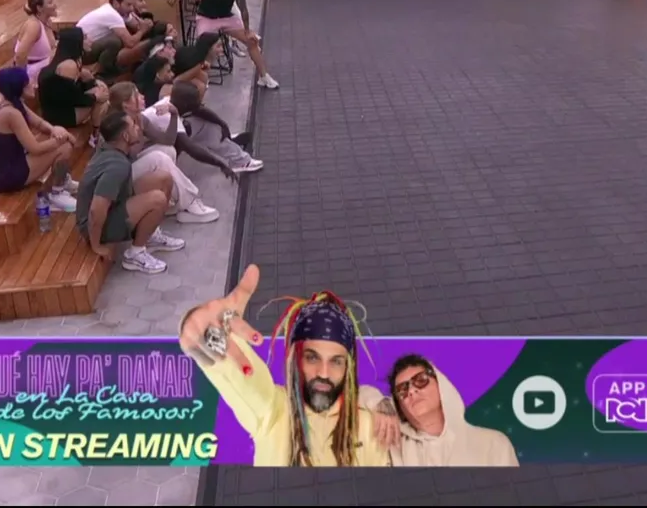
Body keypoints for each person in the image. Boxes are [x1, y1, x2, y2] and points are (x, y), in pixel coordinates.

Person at [178, 266, 400, 466]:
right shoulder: (273, 411)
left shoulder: (372, 425)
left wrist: (378, 401)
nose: (323, 373)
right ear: (295, 359)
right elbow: (245, 379)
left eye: (336, 361)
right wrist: (205, 330)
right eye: (312, 358)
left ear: (348, 368)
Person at [76, 111, 186, 274]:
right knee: (158, 199)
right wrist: (96, 245)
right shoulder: (116, 166)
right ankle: (135, 254)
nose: (138, 127)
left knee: (164, 178)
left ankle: (150, 236)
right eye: (133, 126)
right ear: (125, 137)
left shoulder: (111, 148)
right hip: (94, 226)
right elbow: (96, 209)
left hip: (113, 206)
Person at [369, 354, 519, 467]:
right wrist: (381, 403)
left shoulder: (492, 443)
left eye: (420, 380)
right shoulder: (394, 445)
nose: (412, 391)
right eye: (402, 389)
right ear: (399, 405)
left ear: (441, 385)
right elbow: (359, 393)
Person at [107, 82, 222, 224]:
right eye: (136, 95)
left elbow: (168, 140)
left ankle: (170, 200)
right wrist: (137, 136)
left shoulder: (140, 118)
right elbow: (122, 158)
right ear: (126, 105)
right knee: (159, 158)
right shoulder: (116, 125)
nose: (142, 97)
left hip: (131, 166)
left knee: (167, 150)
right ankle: (190, 201)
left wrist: (174, 114)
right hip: (119, 178)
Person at [0, 67, 78, 213]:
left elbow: (39, 123)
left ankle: (62, 181)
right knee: (64, 147)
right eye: (27, 84)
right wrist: (63, 137)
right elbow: (35, 148)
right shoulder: (11, 113)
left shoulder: (14, 103)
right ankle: (57, 193)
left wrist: (55, 130)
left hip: (12, 164)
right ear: (18, 88)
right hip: (9, 174)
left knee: (60, 141)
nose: (33, 84)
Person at [190, 0, 278, 89]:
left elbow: (244, 10)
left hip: (227, 18)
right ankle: (202, 79)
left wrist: (247, 31)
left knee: (252, 41)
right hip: (206, 18)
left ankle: (264, 77)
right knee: (204, 46)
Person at [169, 82, 264, 173]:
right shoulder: (174, 122)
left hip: (177, 140)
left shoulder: (173, 102)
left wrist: (222, 124)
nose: (199, 104)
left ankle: (222, 140)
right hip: (166, 154)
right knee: (206, 130)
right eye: (196, 103)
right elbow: (192, 150)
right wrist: (220, 164)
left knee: (205, 124)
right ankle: (238, 159)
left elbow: (200, 110)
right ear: (186, 105)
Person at [37, 27, 110, 132]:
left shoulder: (73, 59)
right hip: (59, 114)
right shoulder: (69, 65)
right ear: (76, 42)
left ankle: (96, 127)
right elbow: (71, 97)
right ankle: (96, 133)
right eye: (85, 38)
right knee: (102, 97)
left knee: (100, 87)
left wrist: (91, 81)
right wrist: (95, 97)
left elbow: (71, 90)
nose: (90, 40)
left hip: (62, 104)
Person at [75, 0, 155, 76]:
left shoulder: (120, 11)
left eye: (132, 5)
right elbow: (130, 42)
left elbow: (137, 26)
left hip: (89, 46)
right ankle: (104, 71)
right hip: (81, 52)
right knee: (115, 41)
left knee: (121, 36)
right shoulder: (111, 15)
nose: (132, 9)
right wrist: (143, 30)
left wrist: (145, 24)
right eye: (128, 5)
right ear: (116, 4)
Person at [13, 0, 58, 89]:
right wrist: (23, 83)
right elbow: (20, 56)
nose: (55, 5)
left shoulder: (48, 21)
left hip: (45, 69)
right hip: (32, 74)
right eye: (50, 3)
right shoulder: (33, 26)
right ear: (39, 8)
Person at [172, 30, 223, 98]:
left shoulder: (200, 60)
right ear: (208, 48)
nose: (222, 49)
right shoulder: (197, 65)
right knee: (201, 86)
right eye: (218, 46)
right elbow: (176, 81)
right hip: (174, 83)